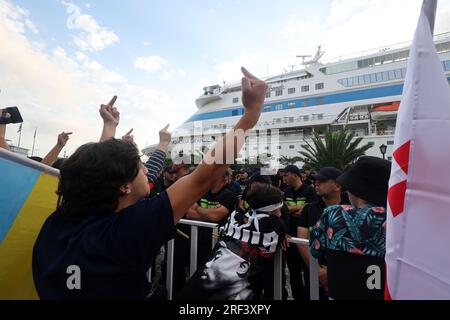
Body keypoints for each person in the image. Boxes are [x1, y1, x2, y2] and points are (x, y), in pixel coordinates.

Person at [32, 67, 268, 299]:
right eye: (140, 167)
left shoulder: (57, 222)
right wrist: (250, 114)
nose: (147, 169)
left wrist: (110, 128)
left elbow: (99, 172)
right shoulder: (128, 230)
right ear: (123, 186)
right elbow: (206, 174)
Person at [179, 183, 287, 300]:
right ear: (273, 208)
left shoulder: (234, 216)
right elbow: (277, 221)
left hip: (196, 288)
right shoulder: (275, 227)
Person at [310, 156, 391, 300]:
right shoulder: (395, 220)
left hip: (341, 291)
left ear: (355, 190)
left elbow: (315, 249)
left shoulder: (334, 214)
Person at [296, 166, 343, 299]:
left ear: (337, 185)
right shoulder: (309, 209)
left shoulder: (352, 209)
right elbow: (302, 242)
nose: (316, 183)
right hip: (314, 276)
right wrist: (319, 271)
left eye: (322, 181)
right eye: (316, 180)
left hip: (345, 276)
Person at [186, 170, 237, 265]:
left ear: (225, 177)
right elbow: (189, 214)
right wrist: (208, 215)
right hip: (199, 239)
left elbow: (214, 216)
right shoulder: (203, 191)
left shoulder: (229, 194)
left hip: (217, 242)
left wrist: (197, 207)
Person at [283, 164, 317, 300]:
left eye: (286, 175)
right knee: (293, 273)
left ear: (295, 175)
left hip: (305, 239)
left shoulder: (310, 191)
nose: (284, 178)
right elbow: (283, 209)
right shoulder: (286, 191)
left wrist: (292, 209)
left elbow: (309, 210)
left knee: (308, 272)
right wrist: (297, 209)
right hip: (290, 237)